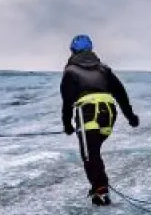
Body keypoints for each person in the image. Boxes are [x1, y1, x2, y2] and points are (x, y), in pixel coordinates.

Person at [60, 34, 139, 206]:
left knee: (89, 154)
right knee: (94, 151)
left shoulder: (70, 71)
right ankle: (100, 186)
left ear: (72, 51)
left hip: (87, 113)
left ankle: (100, 189)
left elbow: (67, 101)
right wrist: (130, 117)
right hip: (108, 114)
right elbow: (120, 93)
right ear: (91, 50)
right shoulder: (104, 69)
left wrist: (67, 125)